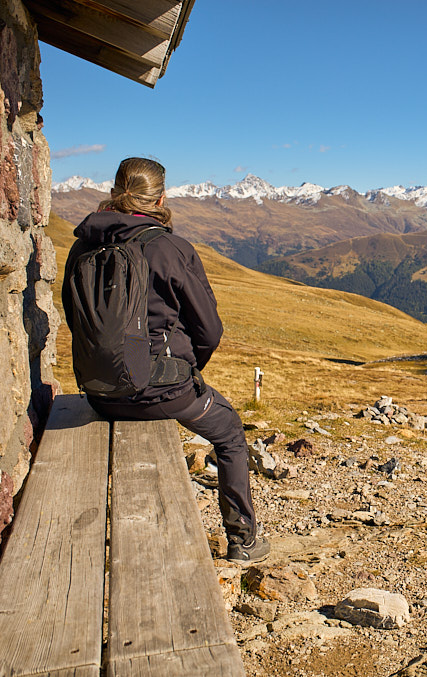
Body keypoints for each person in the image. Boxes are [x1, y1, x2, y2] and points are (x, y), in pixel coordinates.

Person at [62, 157, 269, 564]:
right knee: (228, 433)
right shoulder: (171, 248)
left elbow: (75, 318)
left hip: (100, 392)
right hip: (166, 391)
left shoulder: (81, 245)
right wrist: (184, 375)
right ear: (161, 197)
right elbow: (209, 331)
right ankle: (243, 541)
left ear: (114, 191)